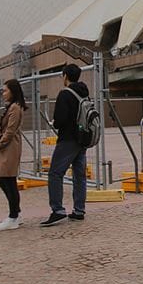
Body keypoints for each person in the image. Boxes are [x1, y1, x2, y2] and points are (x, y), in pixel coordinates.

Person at [41, 63, 91, 226]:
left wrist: (54, 122)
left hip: (67, 139)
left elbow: (60, 120)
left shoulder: (65, 94)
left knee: (55, 173)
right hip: (82, 138)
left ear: (65, 76)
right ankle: (79, 210)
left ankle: (57, 210)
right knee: (79, 175)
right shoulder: (84, 93)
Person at [0, 79, 27, 231]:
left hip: (10, 148)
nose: (3, 93)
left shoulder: (15, 108)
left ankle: (14, 216)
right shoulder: (11, 107)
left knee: (7, 180)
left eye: (5, 90)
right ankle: (15, 214)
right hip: (7, 146)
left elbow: (11, 132)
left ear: (13, 91)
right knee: (6, 180)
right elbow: (7, 130)